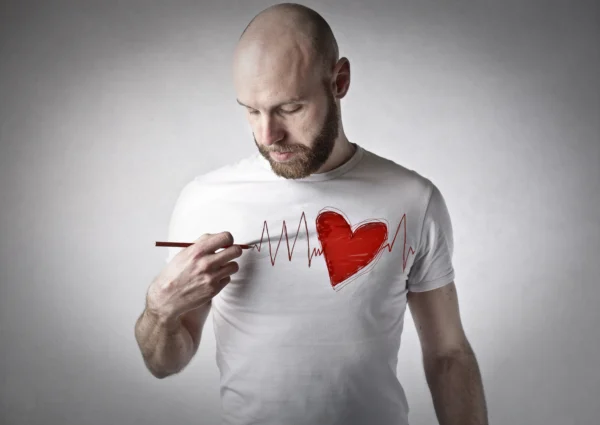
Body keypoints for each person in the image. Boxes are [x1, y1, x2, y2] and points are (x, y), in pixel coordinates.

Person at [134, 3, 488, 425]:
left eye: (289, 108)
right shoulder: (205, 201)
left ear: (339, 81)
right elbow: (164, 362)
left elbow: (448, 354)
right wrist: (159, 310)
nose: (268, 136)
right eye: (251, 110)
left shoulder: (413, 199)